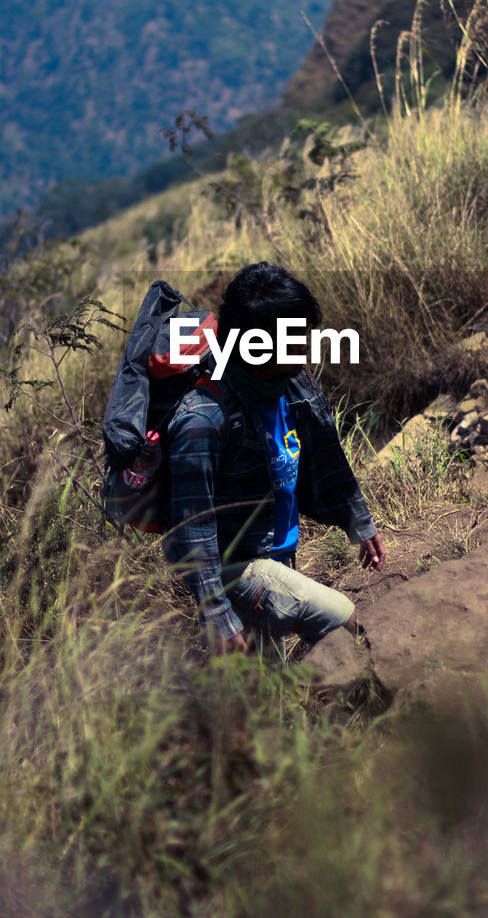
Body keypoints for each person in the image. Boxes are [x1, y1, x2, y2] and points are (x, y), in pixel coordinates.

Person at [163, 262, 387, 655]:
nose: (307, 345)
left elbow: (325, 449)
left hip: (278, 553)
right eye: (296, 336)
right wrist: (215, 611)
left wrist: (359, 522)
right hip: (237, 569)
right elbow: (190, 526)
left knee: (268, 689)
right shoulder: (204, 417)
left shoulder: (293, 380)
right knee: (341, 617)